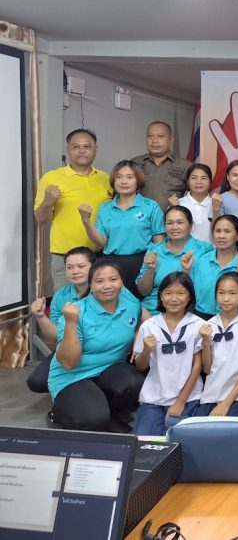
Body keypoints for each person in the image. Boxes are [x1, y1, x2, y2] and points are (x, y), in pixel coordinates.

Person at [47, 260, 147, 432]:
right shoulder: (76, 312)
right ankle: (60, 413)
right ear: (91, 286)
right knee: (94, 420)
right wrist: (71, 323)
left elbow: (141, 321)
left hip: (108, 369)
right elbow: (68, 363)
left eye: (113, 279)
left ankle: (107, 412)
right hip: (73, 375)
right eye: (99, 281)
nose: (107, 286)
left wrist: (139, 334)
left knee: (136, 383)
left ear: (122, 282)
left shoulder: (131, 305)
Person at [34, 128, 110, 290]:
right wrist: (48, 202)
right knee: (66, 302)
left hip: (98, 255)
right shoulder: (51, 177)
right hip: (65, 257)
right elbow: (40, 219)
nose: (81, 151)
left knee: (98, 301)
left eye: (87, 146)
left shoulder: (106, 179)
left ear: (96, 150)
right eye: (76, 147)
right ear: (68, 149)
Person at [79, 160, 165, 299]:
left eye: (129, 177)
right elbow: (101, 242)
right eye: (119, 177)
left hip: (143, 262)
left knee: (142, 303)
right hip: (111, 264)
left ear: (138, 181)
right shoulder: (105, 208)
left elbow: (159, 242)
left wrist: (154, 265)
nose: (124, 181)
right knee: (113, 302)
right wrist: (86, 221)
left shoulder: (150, 206)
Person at [133, 272, 206, 435]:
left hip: (189, 397)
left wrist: (180, 402)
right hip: (154, 397)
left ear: (190, 296)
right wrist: (146, 351)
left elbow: (198, 366)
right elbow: (140, 366)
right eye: (168, 293)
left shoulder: (198, 325)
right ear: (160, 296)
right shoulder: (149, 325)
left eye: (180, 293)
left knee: (179, 444)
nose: (174, 299)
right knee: (144, 443)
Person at [28, 246, 95, 394]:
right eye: (69, 267)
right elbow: (54, 336)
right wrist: (40, 316)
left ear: (93, 267)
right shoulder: (60, 296)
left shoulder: (105, 290)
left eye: (81, 266)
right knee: (36, 381)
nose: (75, 271)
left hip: (97, 350)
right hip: (69, 349)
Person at [196, 272, 238, 416]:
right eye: (221, 293)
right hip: (211, 394)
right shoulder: (209, 325)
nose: (226, 298)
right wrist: (206, 341)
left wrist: (226, 403)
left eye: (232, 293)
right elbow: (207, 368)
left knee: (225, 427)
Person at [136, 205, 213, 315]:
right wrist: (150, 269)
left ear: (191, 225)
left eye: (180, 222)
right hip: (153, 311)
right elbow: (143, 291)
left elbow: (206, 290)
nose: (174, 227)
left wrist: (187, 271)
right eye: (169, 223)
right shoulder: (154, 250)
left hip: (189, 311)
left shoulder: (204, 250)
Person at [183, 215, 238, 320]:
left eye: (227, 231)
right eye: (218, 231)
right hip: (201, 318)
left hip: (235, 319)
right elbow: (188, 291)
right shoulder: (200, 260)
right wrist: (186, 271)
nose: (221, 236)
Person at [132, 121, 192, 212]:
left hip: (171, 219)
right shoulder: (134, 163)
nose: (154, 140)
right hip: (139, 218)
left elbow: (196, 197)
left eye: (160, 136)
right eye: (150, 136)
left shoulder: (185, 166)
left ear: (171, 139)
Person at [173, 163, 214, 242]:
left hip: (211, 249)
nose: (199, 182)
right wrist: (175, 208)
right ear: (188, 181)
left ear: (210, 181)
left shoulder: (216, 204)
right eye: (194, 178)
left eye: (204, 178)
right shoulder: (178, 204)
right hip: (185, 249)